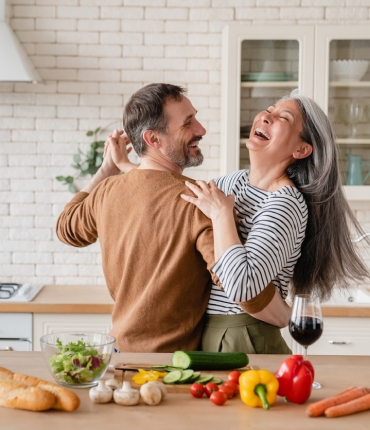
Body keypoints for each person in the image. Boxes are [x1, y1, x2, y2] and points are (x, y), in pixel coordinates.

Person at [179, 89, 370, 353]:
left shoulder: (286, 203)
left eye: (284, 118)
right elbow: (178, 205)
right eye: (269, 110)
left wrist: (223, 215)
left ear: (301, 149)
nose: (266, 117)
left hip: (245, 337)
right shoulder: (231, 182)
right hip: (207, 331)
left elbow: (243, 287)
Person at [56, 83, 220, 353]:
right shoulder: (199, 200)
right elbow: (236, 283)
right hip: (172, 365)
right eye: (188, 123)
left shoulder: (107, 191)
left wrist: (105, 170)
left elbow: (66, 228)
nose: (201, 129)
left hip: (119, 356)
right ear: (153, 140)